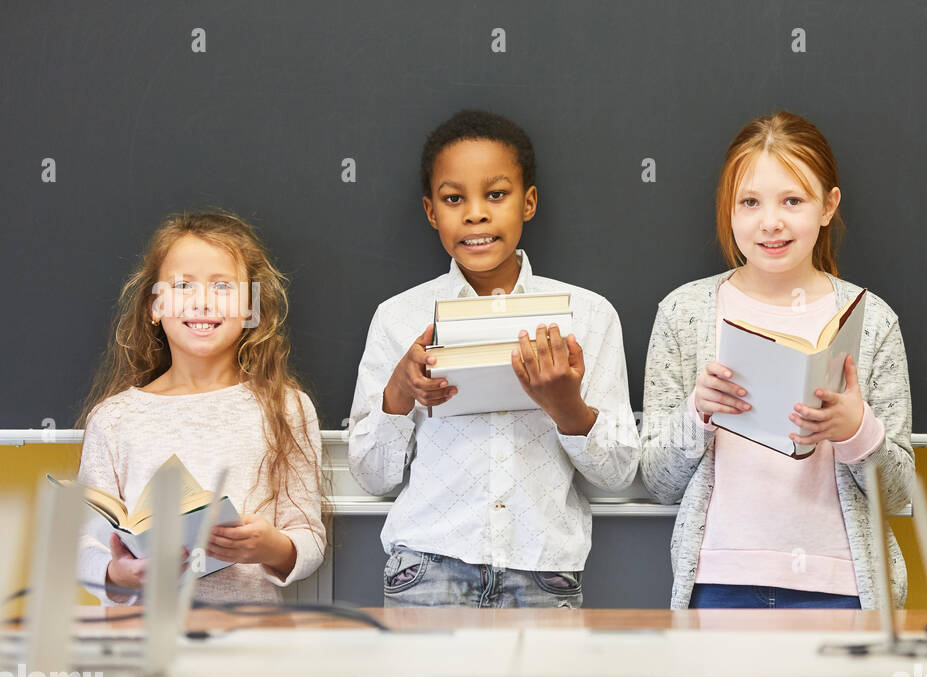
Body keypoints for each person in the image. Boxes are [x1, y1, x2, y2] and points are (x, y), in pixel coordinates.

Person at [347, 110, 639, 608]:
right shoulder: (399, 318)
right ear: (430, 210)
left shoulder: (588, 315)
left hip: (544, 571)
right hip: (426, 565)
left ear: (528, 203)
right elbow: (373, 476)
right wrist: (399, 391)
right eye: (453, 198)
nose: (475, 214)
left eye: (496, 194)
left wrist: (566, 406)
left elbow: (617, 474)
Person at [640, 110, 914, 610]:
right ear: (728, 209)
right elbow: (658, 482)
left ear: (828, 206)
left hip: (842, 588)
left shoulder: (871, 320)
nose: (771, 222)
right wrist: (696, 414)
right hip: (720, 581)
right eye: (750, 202)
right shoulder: (685, 313)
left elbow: (897, 494)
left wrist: (856, 430)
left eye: (793, 200)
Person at [78, 210, 326, 605]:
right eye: (182, 285)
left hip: (247, 641)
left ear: (251, 309)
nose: (203, 302)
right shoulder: (113, 419)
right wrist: (119, 572)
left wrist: (268, 547)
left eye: (223, 286)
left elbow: (308, 537)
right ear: (154, 307)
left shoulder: (287, 408)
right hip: (142, 642)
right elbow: (87, 546)